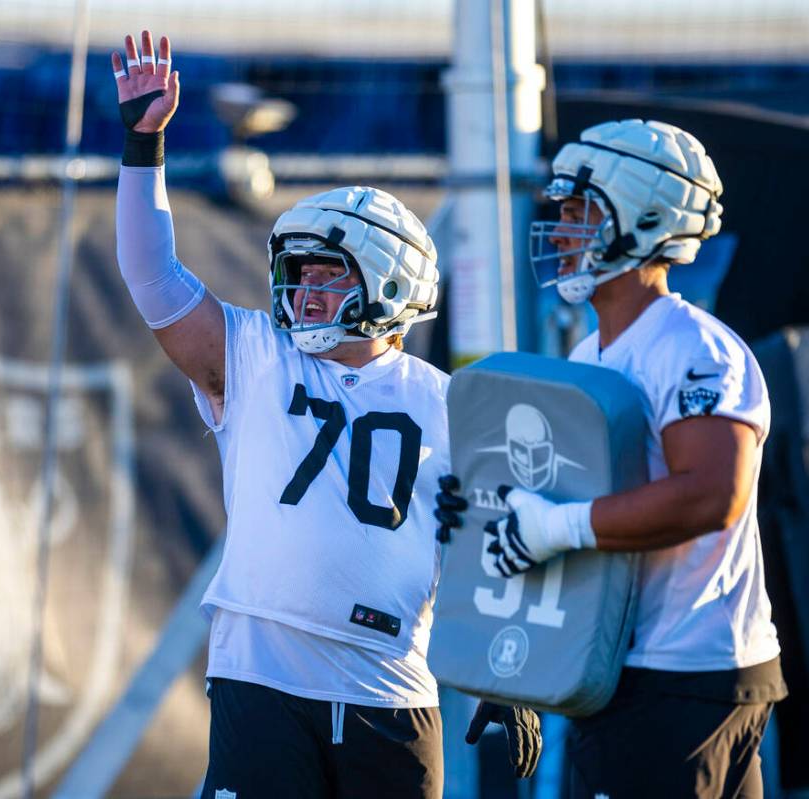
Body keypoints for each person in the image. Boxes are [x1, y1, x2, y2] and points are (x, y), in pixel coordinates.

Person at [110, 29, 540, 799]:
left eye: (325, 274)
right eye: (296, 273)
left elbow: (491, 545)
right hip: (261, 675)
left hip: (391, 692)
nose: (301, 292)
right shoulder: (250, 354)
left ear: (388, 283)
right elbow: (151, 277)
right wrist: (144, 148)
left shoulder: (448, 402)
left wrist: (506, 671)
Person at [435, 119, 787, 798]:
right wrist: (521, 664)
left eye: (578, 212)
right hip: (632, 676)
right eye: (561, 213)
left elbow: (711, 494)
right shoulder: (587, 357)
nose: (561, 230)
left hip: (682, 677)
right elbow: (563, 530)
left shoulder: (692, 348)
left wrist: (554, 527)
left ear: (644, 215)